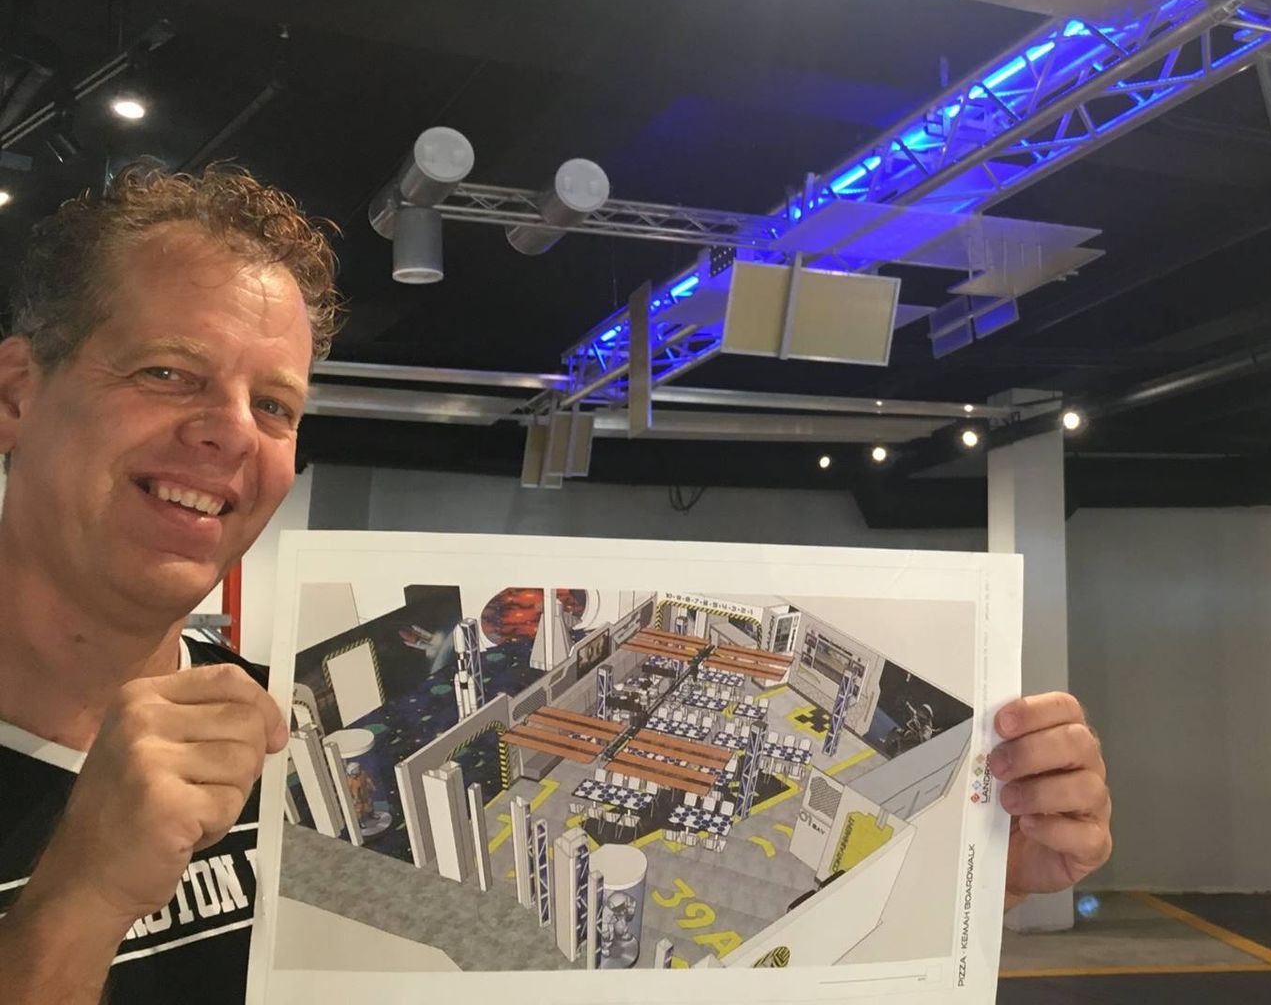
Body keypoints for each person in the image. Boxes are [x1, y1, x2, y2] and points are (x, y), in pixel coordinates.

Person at [0, 164, 1111, 1002]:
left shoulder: (272, 727)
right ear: (16, 391)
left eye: (276, 405)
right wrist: (74, 906)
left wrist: (973, 872)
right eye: (166, 373)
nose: (227, 435)